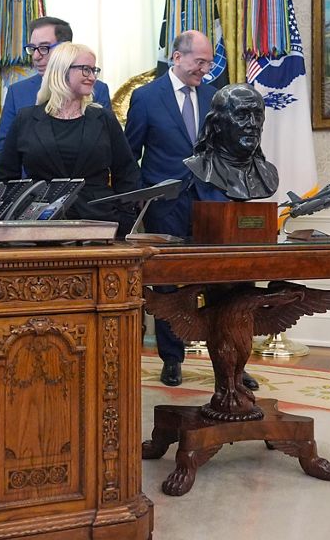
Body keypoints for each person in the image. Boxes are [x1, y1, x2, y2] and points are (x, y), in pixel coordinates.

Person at [125, 30, 254, 391]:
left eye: (209, 62)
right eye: (200, 62)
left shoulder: (215, 98)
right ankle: (171, 359)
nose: (206, 69)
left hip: (211, 203)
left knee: (222, 281)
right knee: (167, 283)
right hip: (166, 205)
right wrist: (142, 197)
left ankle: (230, 360)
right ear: (177, 57)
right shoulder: (146, 97)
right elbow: (130, 153)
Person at [0, 42, 139, 228]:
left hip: (99, 223)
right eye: (86, 70)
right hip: (40, 226)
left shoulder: (104, 118)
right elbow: (6, 178)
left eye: (94, 70)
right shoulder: (26, 119)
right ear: (62, 71)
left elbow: (127, 173)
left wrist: (125, 219)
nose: (92, 77)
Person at [0, 16, 111, 156]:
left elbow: (108, 144)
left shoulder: (96, 89)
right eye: (32, 48)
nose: (36, 56)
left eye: (44, 48)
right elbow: (3, 147)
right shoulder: (17, 92)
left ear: (66, 49)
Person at [184, 84, 279, 201]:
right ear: (217, 124)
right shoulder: (200, 168)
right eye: (241, 115)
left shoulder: (269, 174)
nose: (253, 124)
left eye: (258, 115)